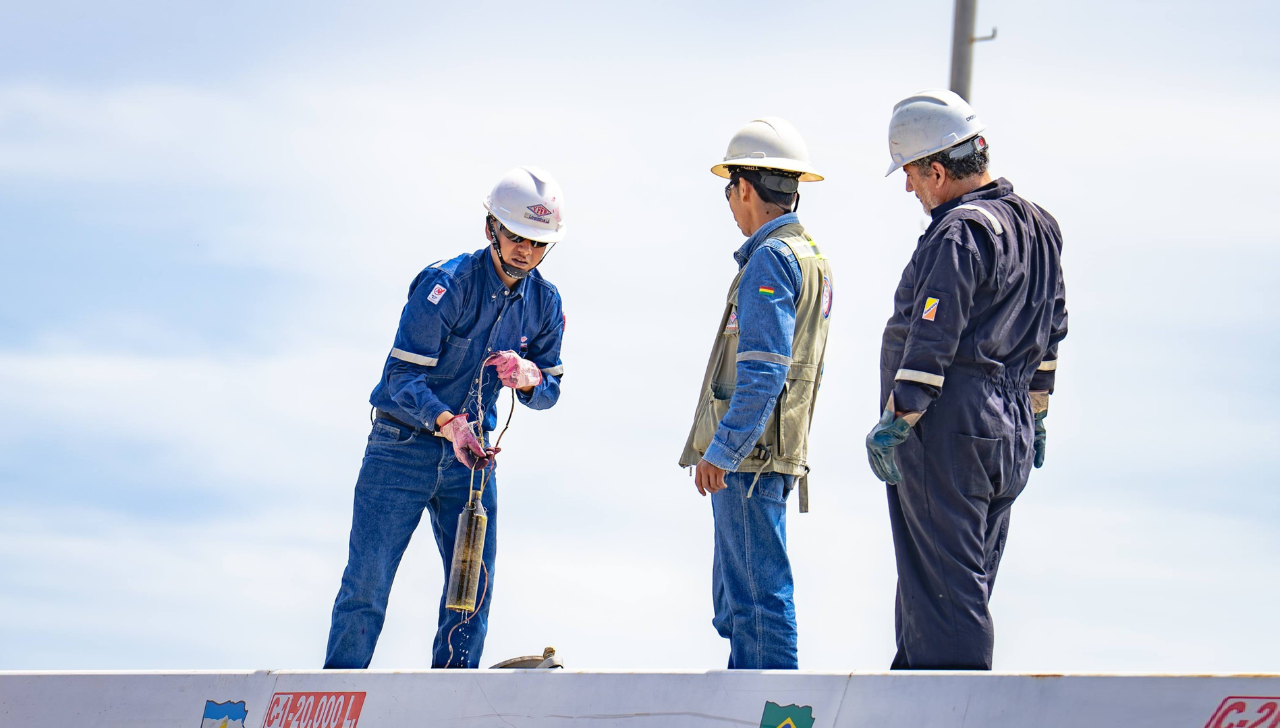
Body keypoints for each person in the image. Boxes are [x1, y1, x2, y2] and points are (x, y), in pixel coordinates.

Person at [324, 166, 568, 669]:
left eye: (539, 243)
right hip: (401, 447)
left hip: (469, 460)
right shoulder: (446, 284)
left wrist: (529, 378)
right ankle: (339, 695)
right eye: (516, 237)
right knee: (367, 582)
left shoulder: (546, 305)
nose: (526, 250)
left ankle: (453, 699)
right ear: (491, 230)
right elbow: (398, 378)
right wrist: (448, 422)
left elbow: (550, 392)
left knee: (471, 588)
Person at [866, 89, 1068, 670]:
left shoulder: (961, 231)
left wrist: (899, 419)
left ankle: (954, 706)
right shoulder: (1038, 227)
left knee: (947, 598)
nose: (909, 189)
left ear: (936, 168)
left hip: (952, 424)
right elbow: (1051, 331)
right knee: (948, 585)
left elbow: (933, 332)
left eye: (910, 174)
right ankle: (911, 694)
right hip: (1009, 431)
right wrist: (1038, 412)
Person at [679, 117, 834, 669]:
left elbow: (764, 371)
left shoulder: (771, 259)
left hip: (752, 458)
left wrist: (723, 450)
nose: (729, 203)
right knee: (738, 601)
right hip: (773, 451)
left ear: (745, 188)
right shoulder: (809, 255)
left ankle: (772, 710)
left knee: (755, 604)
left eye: (730, 190)